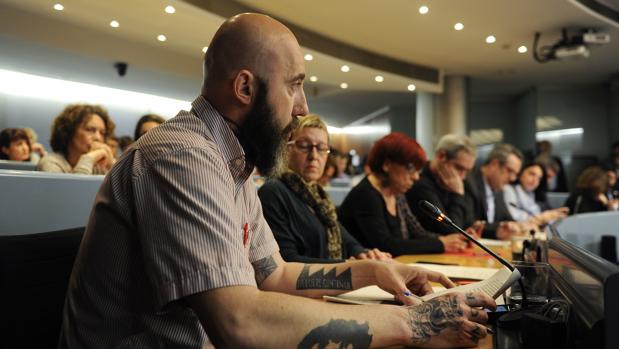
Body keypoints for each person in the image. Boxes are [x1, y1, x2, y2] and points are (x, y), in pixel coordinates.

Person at [59, 13, 494, 349]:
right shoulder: (180, 158)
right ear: (246, 88)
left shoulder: (232, 162)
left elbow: (273, 275)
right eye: (295, 85)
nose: (302, 107)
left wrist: (372, 271)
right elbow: (240, 322)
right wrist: (415, 323)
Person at [259, 114, 391, 263]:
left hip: (329, 282)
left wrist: (364, 254)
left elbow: (345, 239)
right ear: (287, 148)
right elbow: (287, 260)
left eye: (321, 148)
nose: (314, 156)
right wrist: (347, 266)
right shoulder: (273, 192)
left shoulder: (318, 196)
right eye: (304, 145)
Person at [339, 133, 469, 256]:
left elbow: (417, 232)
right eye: (411, 168)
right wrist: (440, 243)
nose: (416, 177)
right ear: (387, 164)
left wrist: (451, 240)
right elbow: (385, 245)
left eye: (419, 171)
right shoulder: (365, 194)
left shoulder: (396, 193)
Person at [406, 134, 484, 235]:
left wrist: (471, 229)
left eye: (467, 171)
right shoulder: (419, 182)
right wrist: (458, 194)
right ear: (441, 156)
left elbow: (467, 222)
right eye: (459, 168)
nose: (463, 177)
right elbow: (450, 230)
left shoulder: (463, 182)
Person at [465, 143, 523, 240]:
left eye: (515, 174)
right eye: (509, 171)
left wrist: (518, 226)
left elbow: (507, 219)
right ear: (494, 164)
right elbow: (468, 222)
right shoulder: (469, 182)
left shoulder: (498, 187)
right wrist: (497, 230)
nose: (512, 178)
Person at [36, 104, 116, 174]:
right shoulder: (50, 162)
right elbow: (72, 190)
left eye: (102, 133)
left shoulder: (97, 165)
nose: (98, 138)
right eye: (90, 130)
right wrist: (88, 159)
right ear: (69, 131)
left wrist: (112, 166)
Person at [503, 162, 569, 226]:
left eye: (539, 178)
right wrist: (541, 218)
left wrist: (553, 216)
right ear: (521, 173)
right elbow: (513, 217)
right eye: (532, 174)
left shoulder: (531, 194)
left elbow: (536, 214)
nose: (535, 180)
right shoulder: (509, 190)